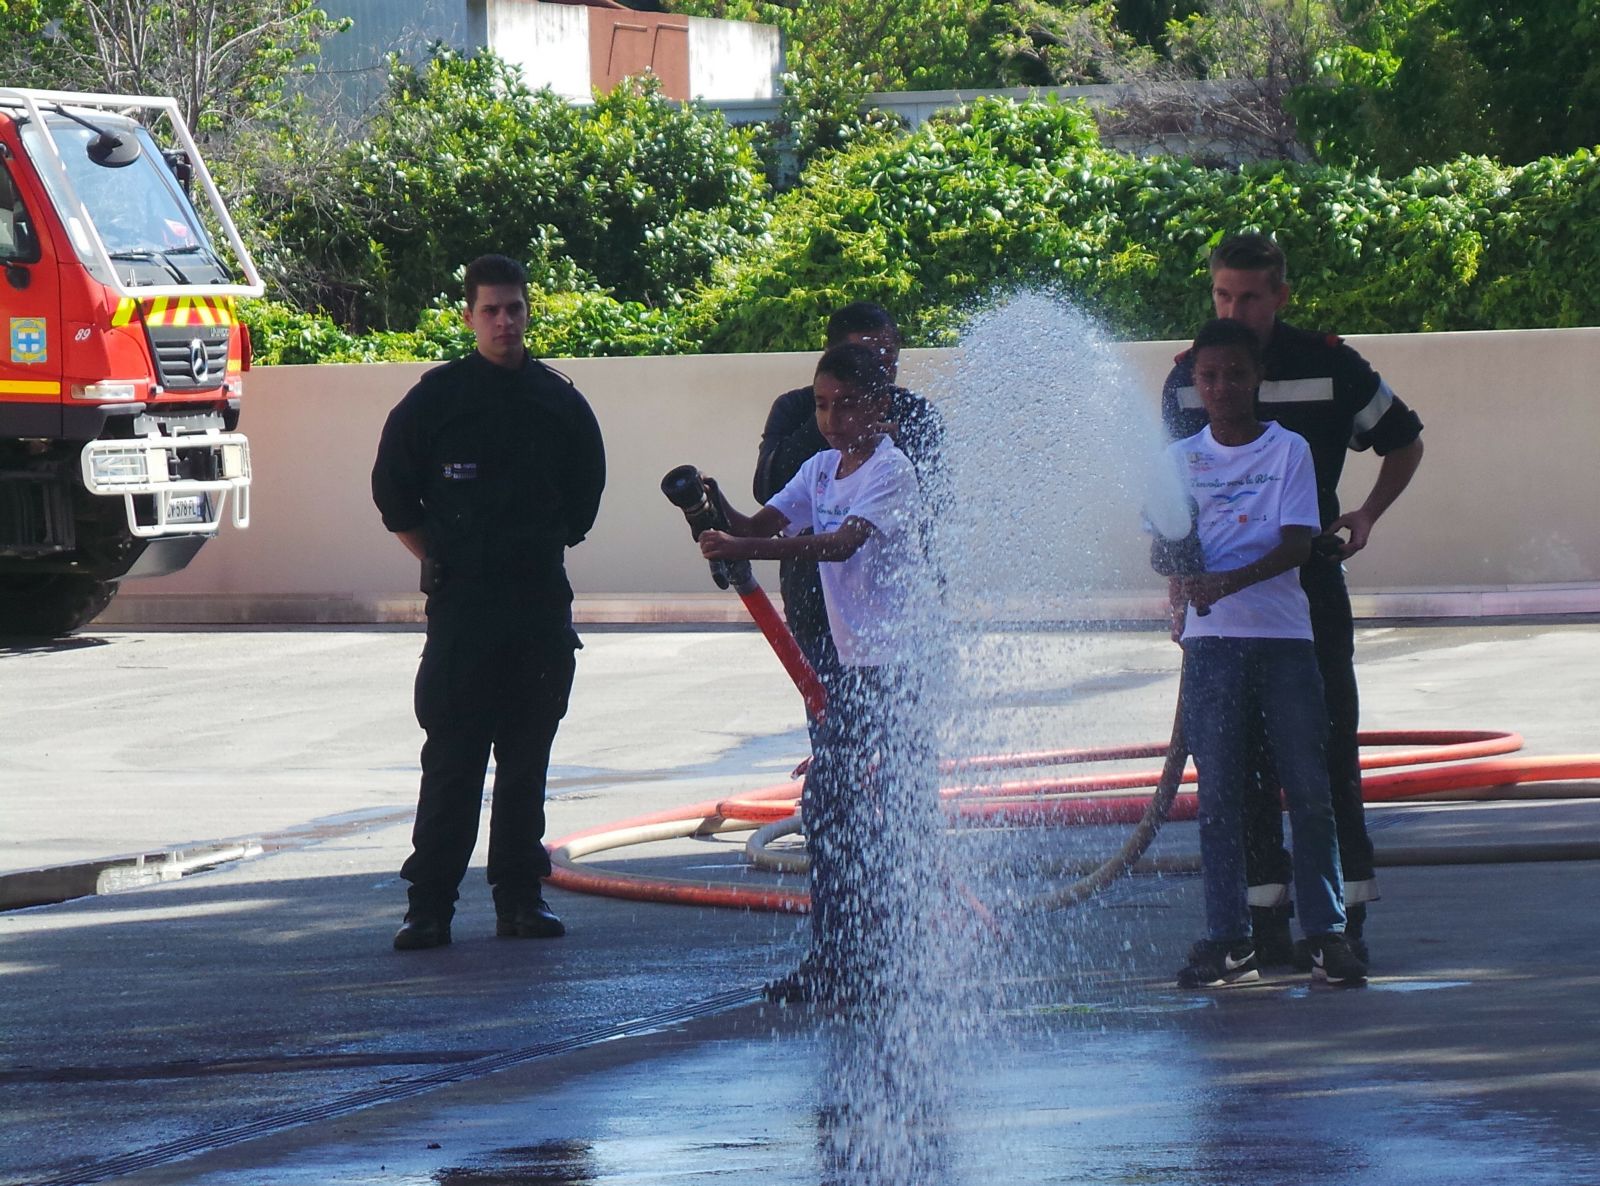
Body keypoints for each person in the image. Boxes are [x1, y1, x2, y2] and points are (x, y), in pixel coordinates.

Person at [1161, 233, 1425, 967]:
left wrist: (1366, 514)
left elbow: (1404, 439)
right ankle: (1257, 919)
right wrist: (1179, 587)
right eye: (1222, 295)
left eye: (1249, 296)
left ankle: (1339, 921)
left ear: (1281, 294)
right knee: (1234, 768)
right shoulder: (1189, 375)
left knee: (1323, 753)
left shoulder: (1333, 365)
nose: (1235, 309)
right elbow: (1172, 502)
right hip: (1218, 617)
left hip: (1306, 591)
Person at [372, 254, 606, 951]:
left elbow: (581, 504)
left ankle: (519, 899)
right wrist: (444, 561)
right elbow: (394, 499)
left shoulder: (560, 404)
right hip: (464, 611)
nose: (505, 321)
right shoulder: (434, 403)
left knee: (526, 759)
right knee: (453, 760)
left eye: (515, 308)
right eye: (491, 310)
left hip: (536, 606)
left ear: (529, 312)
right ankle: (430, 907)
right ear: (470, 316)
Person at [703, 342, 938, 1005]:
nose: (832, 418)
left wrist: (744, 547)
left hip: (901, 665)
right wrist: (715, 506)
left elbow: (839, 545)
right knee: (837, 811)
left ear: (881, 407)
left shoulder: (892, 472)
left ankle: (876, 956)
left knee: (864, 810)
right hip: (852, 664)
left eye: (847, 404)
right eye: (822, 404)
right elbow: (759, 522)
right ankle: (844, 956)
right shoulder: (819, 470)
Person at [1164, 318, 1366, 988]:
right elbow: (1162, 545)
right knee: (1218, 795)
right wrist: (1178, 569)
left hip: (1283, 642)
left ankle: (1325, 934)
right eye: (1210, 376)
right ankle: (1229, 939)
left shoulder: (1288, 452)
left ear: (1258, 380)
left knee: (1307, 789)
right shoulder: (1178, 461)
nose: (1223, 387)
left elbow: (1297, 545)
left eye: (1236, 374)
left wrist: (1224, 581)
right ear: (1196, 382)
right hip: (1212, 647)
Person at [754, 302, 944, 689]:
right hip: (817, 604)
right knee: (830, 727)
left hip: (893, 616)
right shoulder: (799, 414)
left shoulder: (912, 418)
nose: (877, 369)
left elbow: (937, 497)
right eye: (861, 357)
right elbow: (766, 490)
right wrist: (830, 416)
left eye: (888, 359)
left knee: (901, 735)